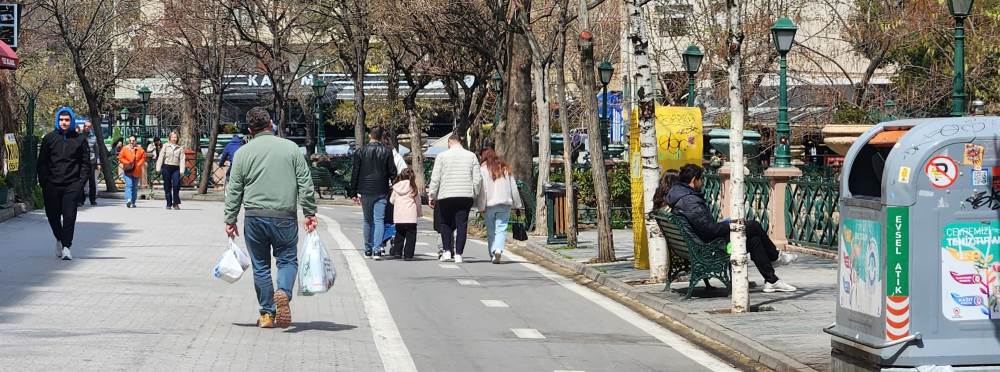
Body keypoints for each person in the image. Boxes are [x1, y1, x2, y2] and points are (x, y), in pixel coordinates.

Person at [224, 106, 317, 329]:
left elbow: (234, 189)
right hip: (285, 216)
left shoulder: (242, 153)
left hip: (254, 217)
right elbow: (305, 183)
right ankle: (283, 291)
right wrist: (309, 212)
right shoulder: (291, 148)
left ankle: (267, 314)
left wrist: (230, 219)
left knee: (261, 266)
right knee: (287, 260)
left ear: (250, 130)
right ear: (271, 124)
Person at [665, 164, 798, 293]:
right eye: (701, 180)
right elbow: (710, 230)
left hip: (697, 244)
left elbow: (704, 226)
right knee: (753, 226)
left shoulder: (681, 196)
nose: (702, 183)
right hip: (708, 247)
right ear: (694, 180)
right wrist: (731, 225)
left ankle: (772, 280)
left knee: (754, 239)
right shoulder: (690, 201)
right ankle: (774, 257)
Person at [37, 107, 90, 260]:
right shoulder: (49, 138)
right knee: (52, 216)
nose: (64, 122)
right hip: (52, 185)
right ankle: (59, 239)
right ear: (57, 121)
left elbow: (85, 164)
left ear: (71, 121)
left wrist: (80, 183)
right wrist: (45, 182)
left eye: (67, 120)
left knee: (69, 217)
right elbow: (42, 163)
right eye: (61, 120)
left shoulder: (80, 140)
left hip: (72, 185)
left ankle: (67, 247)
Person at [428, 134, 481, 264]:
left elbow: (435, 178)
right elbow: (477, 178)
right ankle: (459, 254)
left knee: (445, 222)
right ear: (460, 142)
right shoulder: (471, 156)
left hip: (446, 194)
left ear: (450, 142)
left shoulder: (442, 156)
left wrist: (432, 195)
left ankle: (446, 251)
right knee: (462, 224)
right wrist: (475, 192)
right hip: (465, 195)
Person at [350, 127, 397, 258]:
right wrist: (393, 186)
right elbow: (392, 172)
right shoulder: (387, 151)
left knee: (367, 220)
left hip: (365, 189)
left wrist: (353, 192)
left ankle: (368, 249)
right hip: (381, 189)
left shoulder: (360, 151)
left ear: (370, 136)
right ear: (381, 137)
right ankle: (377, 249)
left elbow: (355, 172)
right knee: (379, 220)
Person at [475, 148, 523, 264]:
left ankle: (493, 252)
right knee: (501, 228)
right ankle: (498, 249)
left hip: (489, 204)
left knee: (491, 230)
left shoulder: (482, 169)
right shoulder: (505, 168)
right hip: (504, 203)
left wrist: (481, 206)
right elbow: (513, 188)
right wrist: (517, 204)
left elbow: (482, 190)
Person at [389, 168, 421, 260]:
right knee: (411, 236)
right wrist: (419, 213)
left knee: (399, 234)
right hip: (410, 216)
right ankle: (408, 255)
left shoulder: (396, 187)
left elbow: (391, 201)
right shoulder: (413, 187)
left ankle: (397, 252)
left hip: (399, 216)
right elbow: (418, 202)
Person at [156, 131, 187, 210]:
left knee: (176, 185)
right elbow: (161, 156)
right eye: (172, 137)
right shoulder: (166, 146)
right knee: (167, 186)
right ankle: (168, 203)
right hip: (166, 167)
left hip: (176, 168)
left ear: (177, 138)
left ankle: (175, 203)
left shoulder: (180, 147)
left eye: (175, 137)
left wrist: (182, 170)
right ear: (170, 138)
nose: (174, 139)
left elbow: (182, 159)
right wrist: (158, 167)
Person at [117, 136, 146, 208]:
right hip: (128, 170)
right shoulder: (125, 148)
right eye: (130, 140)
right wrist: (127, 162)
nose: (131, 142)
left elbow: (143, 158)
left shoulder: (140, 149)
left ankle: (133, 202)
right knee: (129, 185)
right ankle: (128, 200)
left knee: (135, 187)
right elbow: (120, 158)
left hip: (136, 170)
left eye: (133, 140)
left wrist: (139, 164)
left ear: (136, 141)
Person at [78, 121, 99, 207]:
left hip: (91, 161)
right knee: (81, 181)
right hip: (82, 162)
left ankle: (92, 200)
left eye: (89, 126)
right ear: (83, 127)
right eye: (85, 126)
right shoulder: (79, 136)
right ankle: (81, 200)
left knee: (92, 181)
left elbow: (96, 151)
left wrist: (98, 162)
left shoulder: (93, 138)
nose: (87, 127)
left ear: (91, 128)